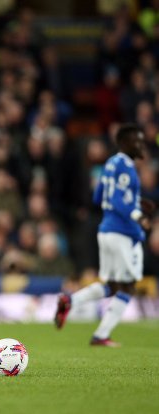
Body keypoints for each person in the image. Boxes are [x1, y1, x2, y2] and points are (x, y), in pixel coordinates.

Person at [54, 124, 152, 346]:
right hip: (123, 232)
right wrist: (138, 215)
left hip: (106, 229)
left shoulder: (109, 164)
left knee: (113, 285)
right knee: (128, 286)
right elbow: (118, 200)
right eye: (137, 140)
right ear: (126, 143)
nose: (141, 144)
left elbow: (98, 197)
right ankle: (101, 334)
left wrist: (133, 203)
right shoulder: (126, 166)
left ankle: (70, 300)